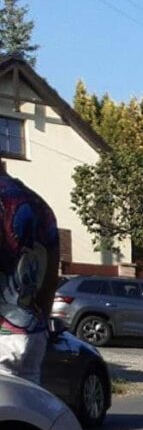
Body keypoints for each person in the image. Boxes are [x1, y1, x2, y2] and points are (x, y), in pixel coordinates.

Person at [0, 158, 60, 384]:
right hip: (32, 334)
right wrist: (42, 322)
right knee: (25, 415)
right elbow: (51, 279)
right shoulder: (41, 206)